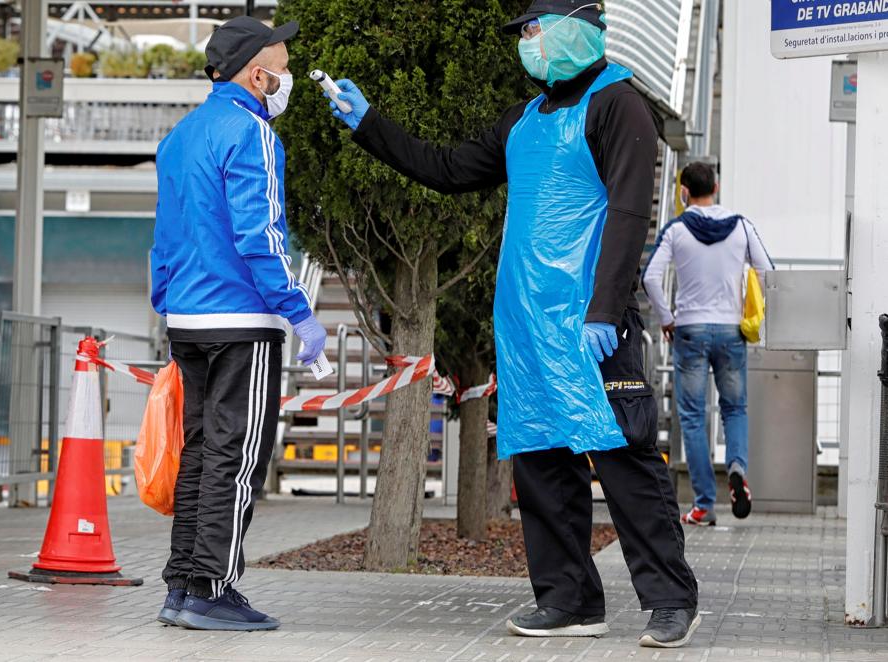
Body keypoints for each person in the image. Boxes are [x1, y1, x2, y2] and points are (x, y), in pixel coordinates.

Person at [324, 0, 701, 648]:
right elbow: (445, 170)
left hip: (590, 326)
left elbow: (631, 213)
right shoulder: (522, 122)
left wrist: (607, 308)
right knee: (541, 468)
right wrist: (369, 125)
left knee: (624, 464)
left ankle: (669, 601)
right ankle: (568, 599)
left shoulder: (618, 106)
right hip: (527, 329)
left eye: (534, 29)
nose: (526, 42)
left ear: (575, 29)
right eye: (524, 33)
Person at [150, 16, 325, 631]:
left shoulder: (181, 135)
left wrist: (166, 302)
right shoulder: (252, 133)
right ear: (258, 73)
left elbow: (164, 237)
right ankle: (211, 589)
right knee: (237, 457)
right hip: (241, 319)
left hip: (188, 319)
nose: (287, 76)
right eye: (282, 64)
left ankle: (181, 585)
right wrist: (300, 314)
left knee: (200, 454)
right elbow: (262, 234)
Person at [643, 161, 773, 526]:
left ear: (684, 191)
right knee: (735, 408)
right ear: (715, 186)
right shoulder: (741, 226)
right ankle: (736, 466)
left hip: (690, 330)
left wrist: (666, 318)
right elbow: (766, 270)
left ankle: (703, 504)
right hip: (732, 330)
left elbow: (651, 277)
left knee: (693, 416)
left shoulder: (676, 230)